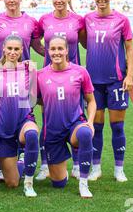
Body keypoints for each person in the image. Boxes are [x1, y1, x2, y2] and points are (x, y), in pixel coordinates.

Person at [0, 0, 44, 182]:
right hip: (0, 79)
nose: (11, 0)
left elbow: (36, 45)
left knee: (24, 119)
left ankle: (23, 156)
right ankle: (2, 167)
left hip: (24, 81)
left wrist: (54, 56)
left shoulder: (31, 22)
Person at [81, 0, 133, 182]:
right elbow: (84, 42)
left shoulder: (122, 20)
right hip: (93, 82)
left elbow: (129, 49)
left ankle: (119, 169)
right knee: (96, 126)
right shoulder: (87, 19)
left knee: (118, 126)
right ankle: (96, 167)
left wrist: (129, 76)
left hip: (117, 81)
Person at [37, 0, 85, 181]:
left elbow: (86, 43)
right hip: (50, 77)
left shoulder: (78, 20)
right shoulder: (44, 20)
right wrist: (49, 57)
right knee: (47, 119)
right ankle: (45, 165)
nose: (59, 0)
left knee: (75, 117)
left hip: (72, 78)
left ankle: (76, 165)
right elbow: (35, 42)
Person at [37, 36, 97, 198]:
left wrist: (90, 122)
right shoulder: (40, 75)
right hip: (52, 131)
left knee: (85, 133)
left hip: (74, 125)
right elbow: (32, 100)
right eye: (53, 49)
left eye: (60, 49)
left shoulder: (80, 72)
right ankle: (60, 170)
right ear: (48, 51)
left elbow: (91, 101)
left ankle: (83, 182)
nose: (56, 52)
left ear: (66, 51)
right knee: (59, 183)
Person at [0, 35, 39, 197]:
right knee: (11, 183)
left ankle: (29, 182)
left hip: (24, 120)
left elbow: (34, 98)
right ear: (3, 48)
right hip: (4, 124)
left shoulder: (27, 69)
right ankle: (20, 162)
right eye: (9, 48)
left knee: (32, 134)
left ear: (22, 50)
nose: (12, 52)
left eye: (16, 49)